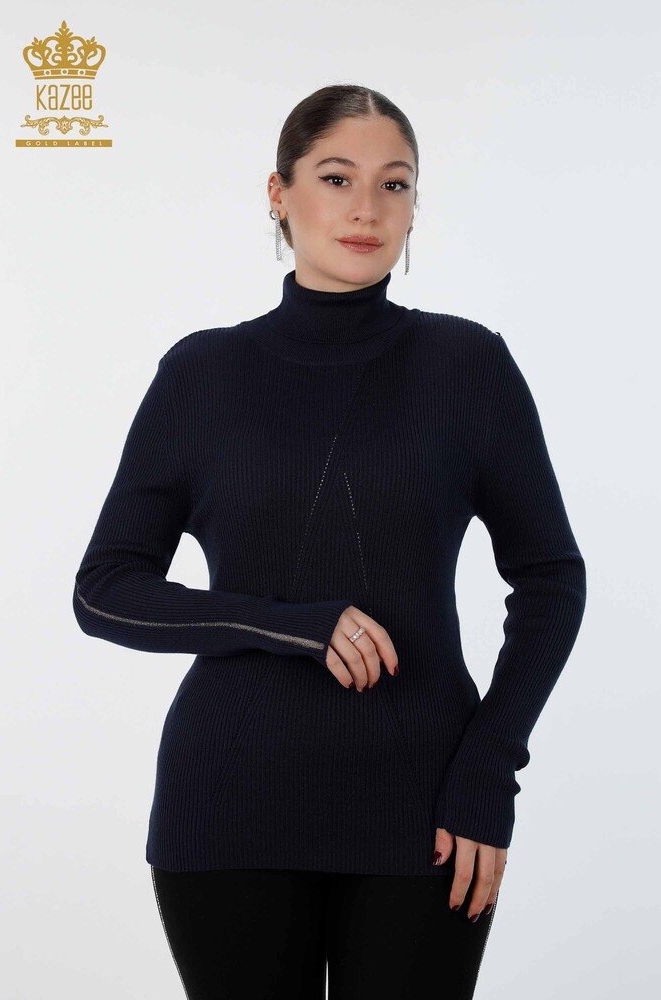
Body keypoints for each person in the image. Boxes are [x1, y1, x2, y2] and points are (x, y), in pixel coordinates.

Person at [73, 83, 587, 999]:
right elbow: (104, 588)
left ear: (414, 207)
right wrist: (290, 624)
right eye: (337, 177)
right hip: (227, 807)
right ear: (279, 194)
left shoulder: (466, 365)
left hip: (427, 808)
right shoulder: (201, 373)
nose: (366, 208)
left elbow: (550, 580)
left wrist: (488, 773)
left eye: (395, 184)